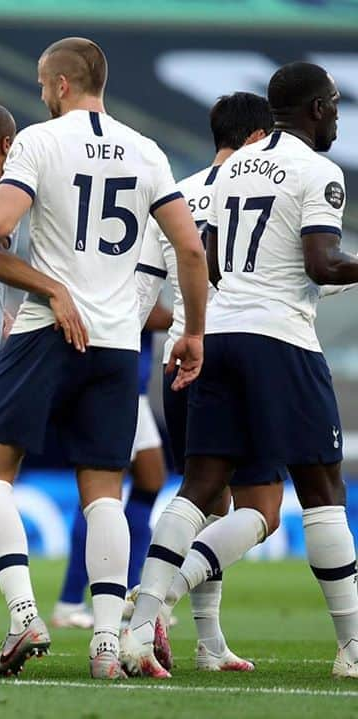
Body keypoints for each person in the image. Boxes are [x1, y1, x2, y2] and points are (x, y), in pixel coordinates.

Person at [0, 36, 208, 680]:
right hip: (117, 345)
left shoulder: (41, 141)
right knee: (104, 493)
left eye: (44, 83)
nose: (42, 93)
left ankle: (23, 615)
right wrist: (194, 333)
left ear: (62, 85)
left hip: (47, 329)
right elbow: (191, 250)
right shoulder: (149, 152)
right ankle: (105, 645)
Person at [123, 62, 358, 680]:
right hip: (279, 339)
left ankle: (143, 618)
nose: (337, 116)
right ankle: (353, 648)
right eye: (333, 106)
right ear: (314, 109)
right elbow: (323, 263)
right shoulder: (318, 170)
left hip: (214, 336)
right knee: (321, 488)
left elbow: (213, 262)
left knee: (202, 485)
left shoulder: (220, 175)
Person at [132, 91, 283, 673]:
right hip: (252, 354)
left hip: (181, 361)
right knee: (261, 507)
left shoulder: (179, 196)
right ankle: (154, 602)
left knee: (205, 495)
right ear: (255, 138)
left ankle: (209, 642)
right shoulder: (270, 186)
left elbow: (144, 294)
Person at [52, 319, 172, 630]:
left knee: (151, 479)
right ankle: (70, 601)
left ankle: (130, 590)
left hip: (136, 391)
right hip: (116, 383)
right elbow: (139, 306)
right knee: (103, 492)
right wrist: (190, 311)